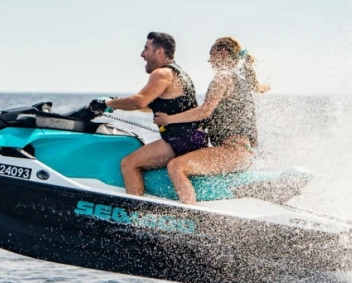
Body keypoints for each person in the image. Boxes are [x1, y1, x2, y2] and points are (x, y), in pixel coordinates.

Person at [152, 37, 270, 204]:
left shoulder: (223, 77)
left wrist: (168, 119)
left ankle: (188, 216)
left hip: (232, 152)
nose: (209, 61)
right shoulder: (239, 81)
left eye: (210, 55)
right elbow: (215, 117)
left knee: (176, 166)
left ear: (221, 53)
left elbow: (204, 111)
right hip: (241, 152)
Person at [88, 32, 208, 196]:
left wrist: (106, 104)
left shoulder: (162, 74)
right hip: (192, 137)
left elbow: (139, 101)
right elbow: (147, 106)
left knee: (129, 163)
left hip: (181, 139)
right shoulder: (180, 73)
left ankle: (133, 214)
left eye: (146, 49)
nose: (142, 54)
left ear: (159, 52)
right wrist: (115, 104)